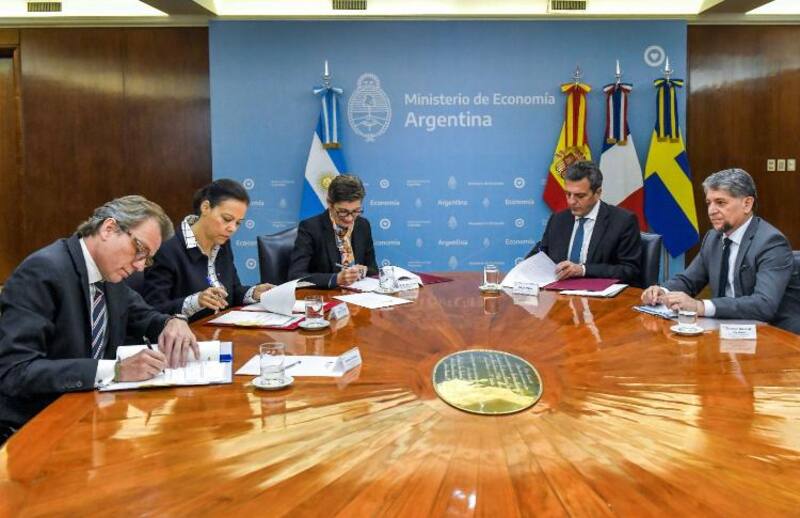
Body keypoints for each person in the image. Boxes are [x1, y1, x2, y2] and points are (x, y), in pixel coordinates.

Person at [0, 195, 198, 442]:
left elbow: (144, 315)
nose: (139, 266)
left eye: (147, 258)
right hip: (37, 428)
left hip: (90, 416)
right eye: (139, 249)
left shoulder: (108, 274)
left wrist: (173, 321)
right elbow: (15, 372)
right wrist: (115, 370)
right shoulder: (44, 271)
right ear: (109, 228)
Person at [642, 168, 800, 334]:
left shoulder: (771, 243)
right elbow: (688, 280)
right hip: (724, 327)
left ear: (747, 204)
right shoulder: (714, 237)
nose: (711, 211)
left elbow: (763, 305)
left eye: (721, 203)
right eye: (709, 203)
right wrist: (662, 291)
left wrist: (700, 306)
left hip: (771, 334)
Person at [143, 179, 273, 322]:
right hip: (187, 337)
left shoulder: (223, 244)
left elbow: (232, 292)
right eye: (227, 219)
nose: (232, 228)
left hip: (220, 332)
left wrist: (254, 293)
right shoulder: (167, 249)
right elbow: (152, 311)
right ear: (205, 207)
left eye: (237, 223)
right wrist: (196, 301)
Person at [527, 160, 642, 285]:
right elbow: (541, 255)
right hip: (559, 296)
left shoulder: (623, 221)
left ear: (597, 193)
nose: (571, 201)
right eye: (568, 194)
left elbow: (630, 270)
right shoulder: (558, 220)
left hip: (602, 299)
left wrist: (583, 270)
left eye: (580, 196)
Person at [289, 174, 378, 289]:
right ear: (330, 204)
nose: (349, 218)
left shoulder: (363, 225)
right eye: (343, 211)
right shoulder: (310, 228)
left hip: (358, 298)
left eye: (356, 211)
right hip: (324, 298)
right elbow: (295, 277)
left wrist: (364, 270)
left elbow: (373, 268)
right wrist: (336, 279)